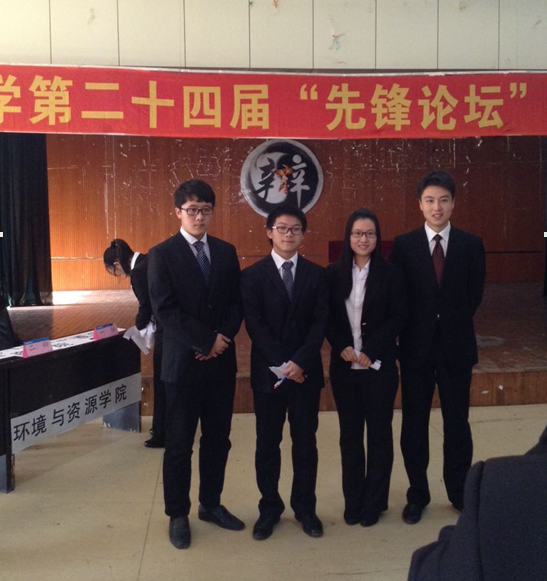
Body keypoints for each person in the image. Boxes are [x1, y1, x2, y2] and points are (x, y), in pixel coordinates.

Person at [148, 179, 244, 550]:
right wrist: (205, 341)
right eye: (192, 210)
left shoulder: (225, 251)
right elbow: (165, 310)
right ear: (178, 212)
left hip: (220, 364)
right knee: (179, 444)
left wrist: (221, 338)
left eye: (205, 209)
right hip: (182, 365)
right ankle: (178, 514)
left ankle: (211, 503)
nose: (199, 216)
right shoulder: (162, 254)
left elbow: (236, 303)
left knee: (218, 439)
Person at [390, 170, 486, 524]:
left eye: (443, 200)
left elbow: (474, 295)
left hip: (456, 348)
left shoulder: (471, 244)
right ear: (419, 204)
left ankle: (459, 492)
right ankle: (418, 494)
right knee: (414, 423)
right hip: (415, 349)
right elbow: (398, 297)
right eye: (430, 200)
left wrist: (448, 323)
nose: (437, 207)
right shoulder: (404, 245)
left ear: (453, 203)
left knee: (457, 422)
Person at [241, 204, 328, 541]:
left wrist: (300, 362)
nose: (288, 234)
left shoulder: (317, 275)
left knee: (305, 444)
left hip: (306, 374)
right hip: (269, 376)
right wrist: (284, 365)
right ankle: (269, 509)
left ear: (303, 235)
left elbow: (320, 323)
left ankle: (305, 508)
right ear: (269, 232)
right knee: (267, 444)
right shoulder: (252, 276)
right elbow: (255, 325)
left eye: (295, 229)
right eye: (282, 228)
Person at [326, 209, 407, 527]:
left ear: (377, 238)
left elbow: (398, 316)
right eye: (358, 233)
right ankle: (354, 501)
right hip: (344, 370)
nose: (364, 239)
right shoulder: (333, 274)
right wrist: (341, 346)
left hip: (379, 368)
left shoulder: (391, 274)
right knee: (349, 436)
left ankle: (374, 503)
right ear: (349, 237)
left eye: (370, 233)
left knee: (379, 436)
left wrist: (370, 350)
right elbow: (327, 317)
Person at [408, 424, 547, 581]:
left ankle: (458, 495)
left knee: (457, 428)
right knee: (415, 428)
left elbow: (435, 571)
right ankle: (417, 496)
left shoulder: (505, 487)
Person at [103, 238, 165, 448]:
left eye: (114, 271)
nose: (118, 274)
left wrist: (137, 326)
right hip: (168, 327)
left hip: (166, 330)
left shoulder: (138, 271)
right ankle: (162, 428)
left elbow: (146, 305)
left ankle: (162, 432)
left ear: (117, 264)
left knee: (161, 381)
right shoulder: (147, 260)